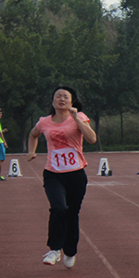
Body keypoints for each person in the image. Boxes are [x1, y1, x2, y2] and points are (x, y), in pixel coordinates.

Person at [26, 86, 97, 267]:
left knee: (72, 214)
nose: (62, 99)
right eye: (58, 96)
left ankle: (70, 251)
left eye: (66, 96)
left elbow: (92, 139)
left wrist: (76, 118)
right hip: (53, 174)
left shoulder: (80, 117)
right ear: (52, 101)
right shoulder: (44, 122)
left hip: (75, 174)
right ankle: (55, 249)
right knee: (58, 207)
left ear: (72, 101)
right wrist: (31, 151)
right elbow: (33, 135)